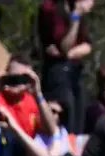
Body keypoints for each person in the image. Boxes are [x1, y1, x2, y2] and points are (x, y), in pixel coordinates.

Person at [37, 0, 95, 135]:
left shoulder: (74, 6)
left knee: (79, 120)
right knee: (65, 118)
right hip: (57, 73)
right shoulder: (50, 8)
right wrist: (75, 17)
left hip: (75, 71)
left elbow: (87, 45)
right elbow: (65, 45)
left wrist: (68, 54)